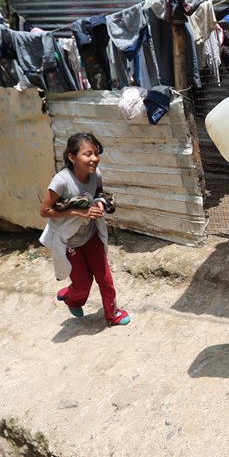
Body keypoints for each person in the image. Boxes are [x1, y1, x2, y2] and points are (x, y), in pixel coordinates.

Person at [38, 132, 131, 327]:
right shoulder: (61, 181)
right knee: (83, 285)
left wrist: (100, 203)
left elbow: (98, 194)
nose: (94, 158)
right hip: (69, 241)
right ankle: (71, 298)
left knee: (105, 279)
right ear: (72, 157)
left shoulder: (95, 175)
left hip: (91, 236)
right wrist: (79, 212)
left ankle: (112, 314)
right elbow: (44, 211)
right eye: (87, 154)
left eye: (96, 153)